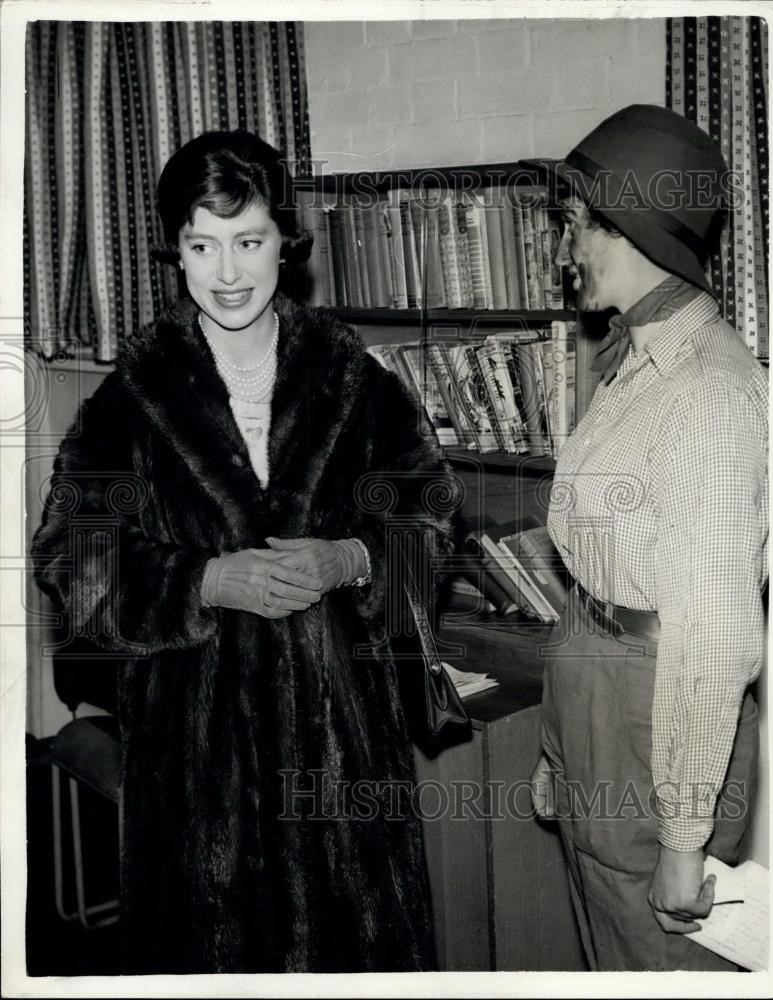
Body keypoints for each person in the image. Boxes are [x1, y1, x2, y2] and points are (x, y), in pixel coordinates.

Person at [32, 130, 459, 974]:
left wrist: (351, 559)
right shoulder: (135, 395)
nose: (228, 273)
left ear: (285, 246)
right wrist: (204, 580)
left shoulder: (349, 375)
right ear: (176, 252)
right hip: (197, 775)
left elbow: (430, 514)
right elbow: (72, 553)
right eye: (202, 245)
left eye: (249, 242)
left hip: (346, 760)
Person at [525, 105, 768, 971]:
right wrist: (562, 745)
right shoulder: (637, 361)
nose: (565, 250)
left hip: (655, 719)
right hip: (602, 704)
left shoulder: (708, 394)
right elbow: (598, 581)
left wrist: (682, 837)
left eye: (574, 226)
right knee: (607, 947)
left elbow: (709, 640)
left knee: (651, 965)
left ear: (620, 227)